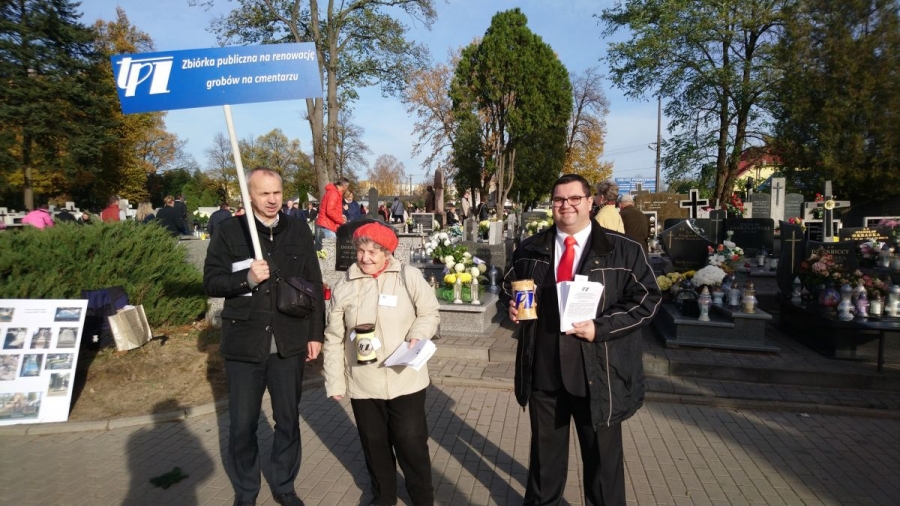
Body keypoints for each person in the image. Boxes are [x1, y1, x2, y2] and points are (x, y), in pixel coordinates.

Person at [500, 174, 661, 506]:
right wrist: (511, 305)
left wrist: (601, 327)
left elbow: (647, 299)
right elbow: (508, 285)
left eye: (575, 198)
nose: (566, 206)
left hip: (597, 374)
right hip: (544, 373)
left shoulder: (623, 249)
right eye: (559, 199)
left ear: (590, 202)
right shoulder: (530, 248)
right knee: (544, 466)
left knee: (603, 469)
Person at [204, 167, 325, 506]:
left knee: (287, 420)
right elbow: (211, 281)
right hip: (245, 343)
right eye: (264, 193)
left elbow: (314, 283)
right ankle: (246, 491)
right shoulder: (229, 231)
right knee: (242, 425)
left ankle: (284, 485)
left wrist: (315, 333)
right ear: (249, 196)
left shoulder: (297, 229)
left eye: (277, 193)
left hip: (289, 341)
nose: (273, 200)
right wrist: (246, 278)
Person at [324, 221, 439, 506]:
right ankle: (383, 497)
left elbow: (430, 312)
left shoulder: (408, 276)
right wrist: (335, 381)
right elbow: (334, 337)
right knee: (374, 446)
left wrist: (417, 334)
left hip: (405, 377)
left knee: (411, 443)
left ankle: (422, 498)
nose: (365, 258)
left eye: (372, 252)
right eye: (360, 251)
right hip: (364, 382)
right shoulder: (345, 285)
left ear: (387, 253)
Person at [316, 177, 349, 241]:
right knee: (330, 246)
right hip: (328, 226)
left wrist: (340, 215)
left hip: (326, 224)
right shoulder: (334, 194)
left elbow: (332, 209)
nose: (347, 189)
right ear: (344, 186)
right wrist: (341, 220)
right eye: (347, 186)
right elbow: (330, 211)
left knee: (326, 246)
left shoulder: (332, 192)